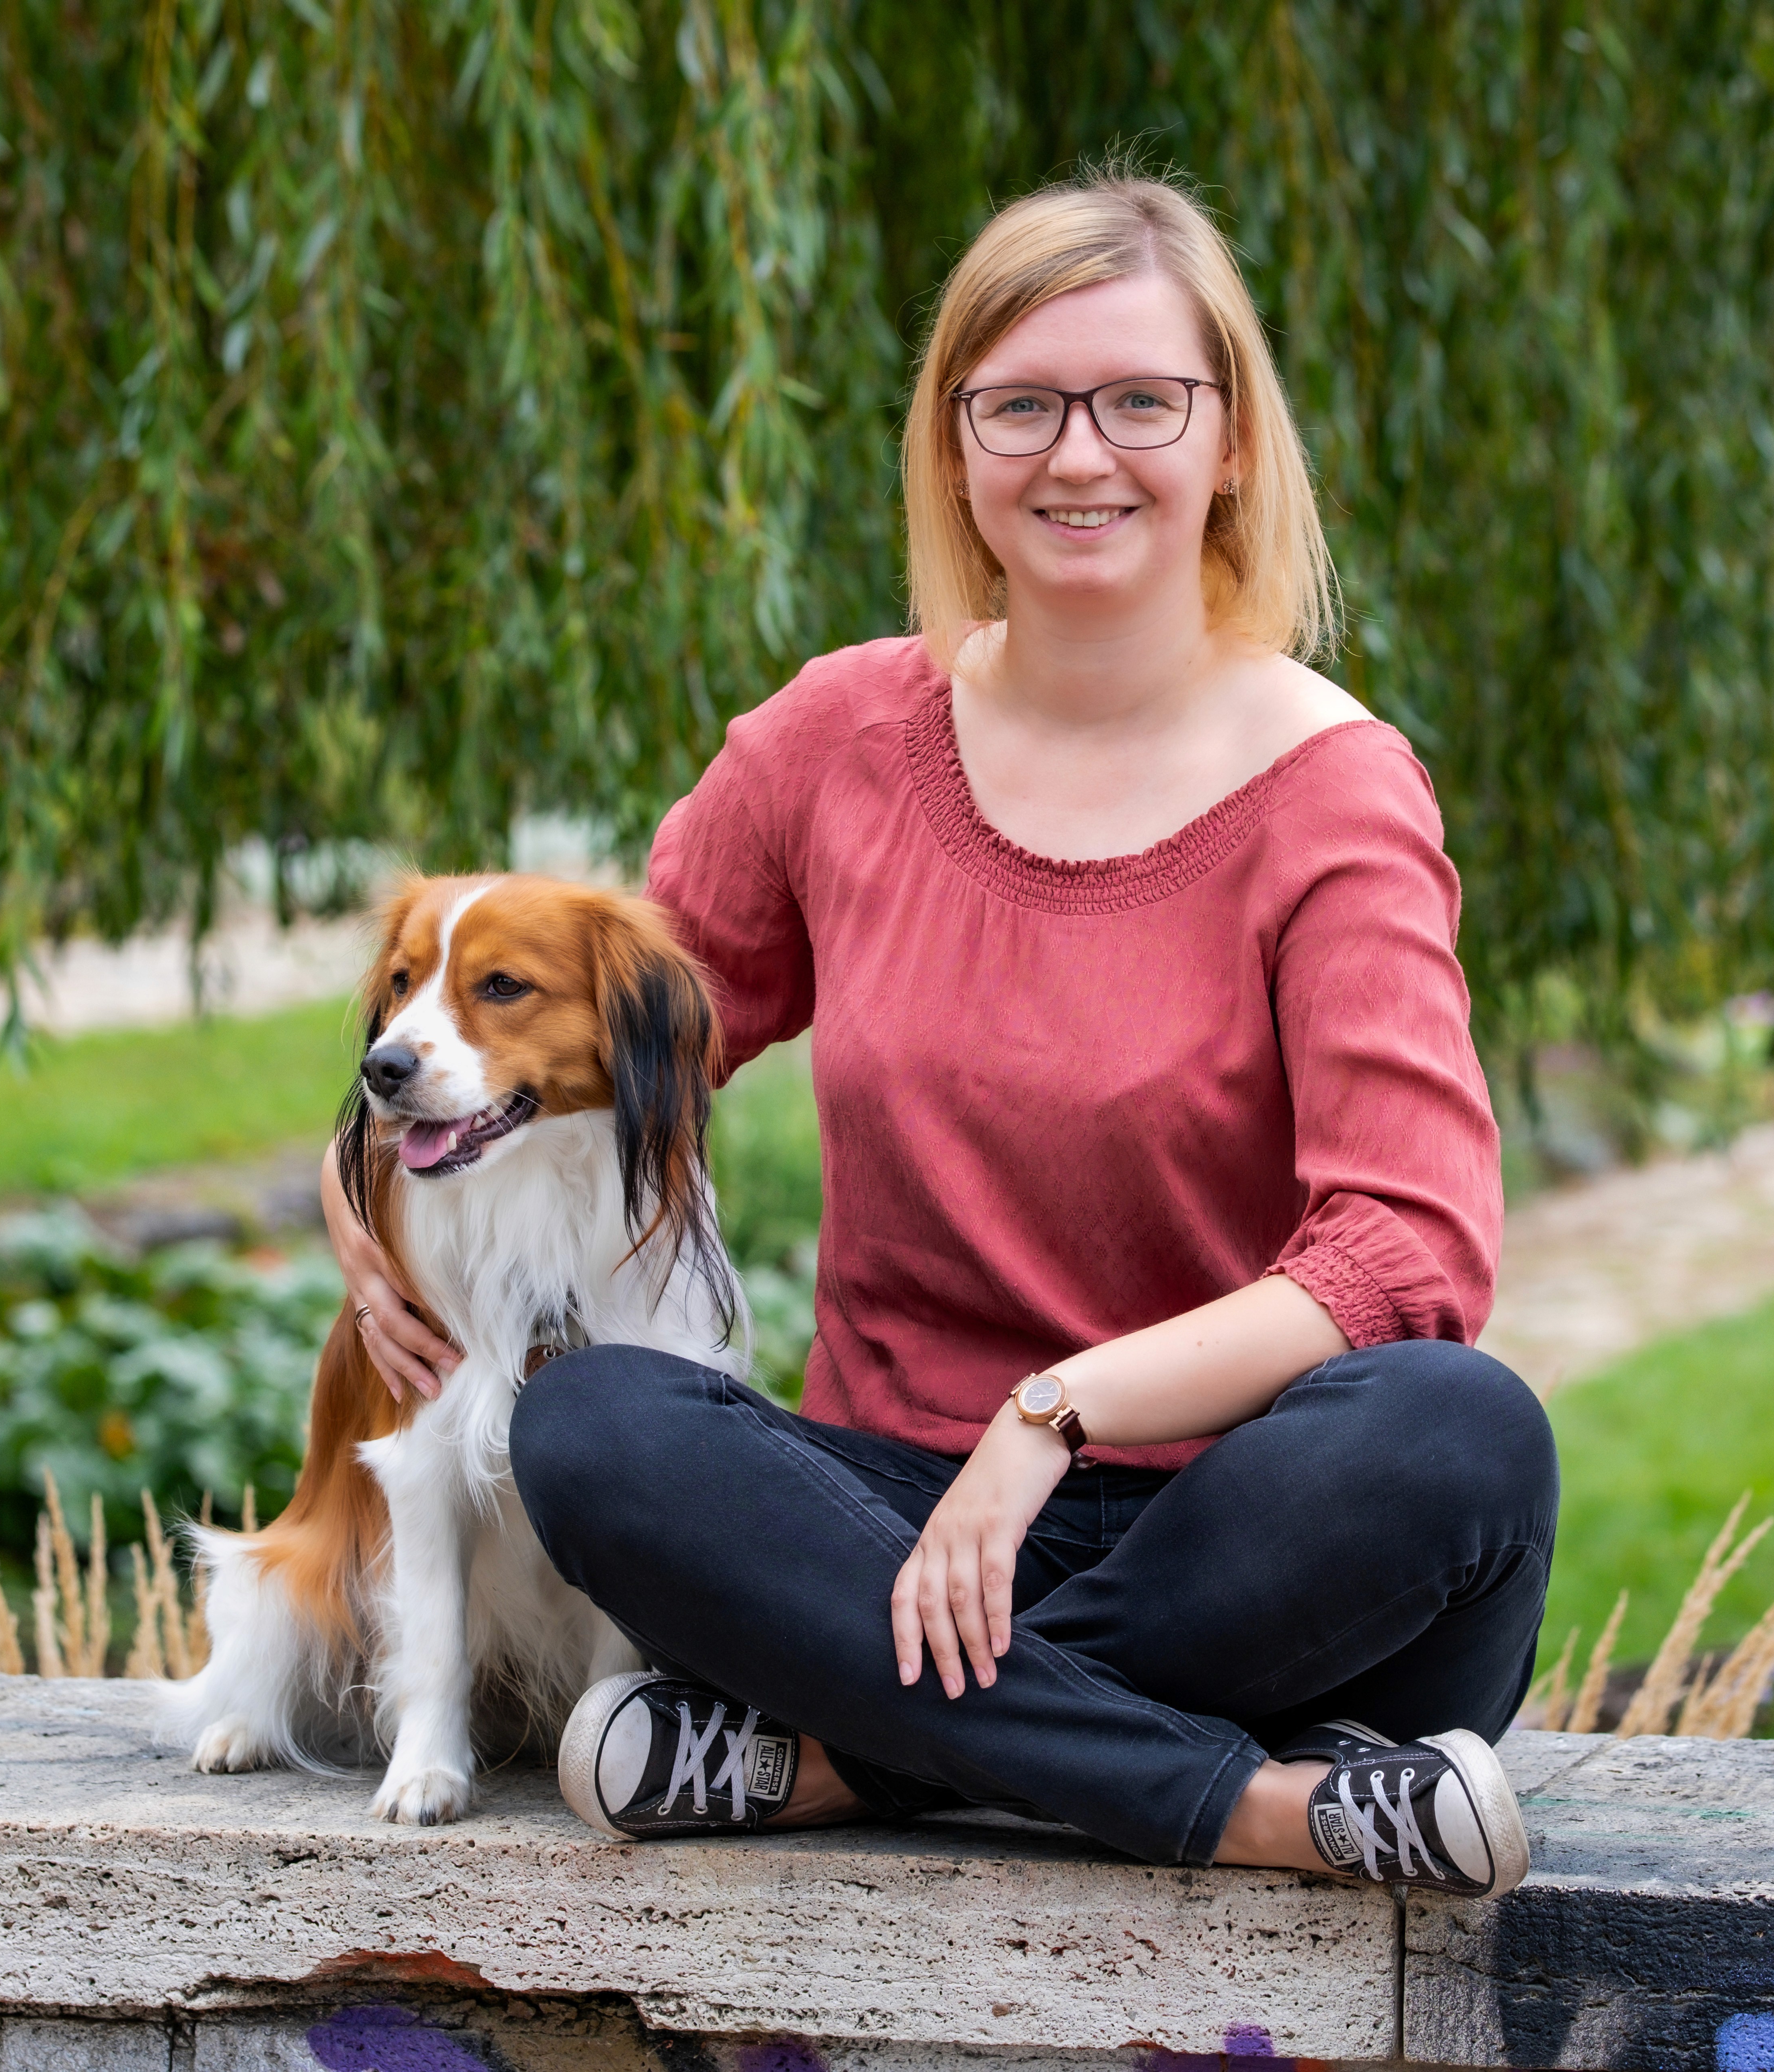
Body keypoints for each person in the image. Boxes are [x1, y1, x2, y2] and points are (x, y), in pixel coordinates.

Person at [322, 169, 1556, 1896]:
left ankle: (846, 1765)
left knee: (1464, 1432)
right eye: (1022, 405)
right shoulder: (840, 742)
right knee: (595, 1423)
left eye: (1142, 401)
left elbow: (1405, 1247)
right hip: (880, 1534)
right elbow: (589, 1029)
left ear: (1232, 446)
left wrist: (1051, 1417)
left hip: (1245, 1534)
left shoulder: (1333, 792)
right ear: (956, 447)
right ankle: (1252, 1802)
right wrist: (362, 1190)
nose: (1079, 453)